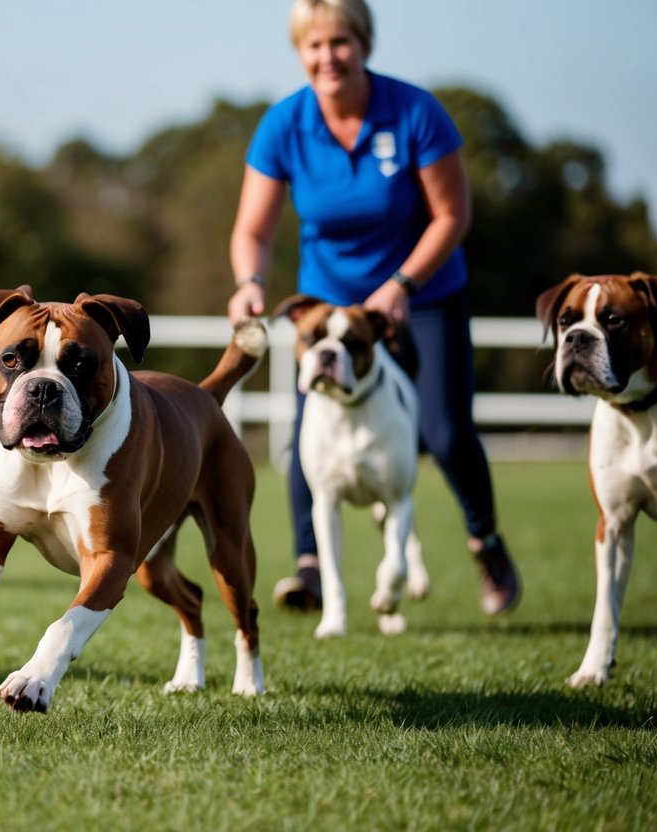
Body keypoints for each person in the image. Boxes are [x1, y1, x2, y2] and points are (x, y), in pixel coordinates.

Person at [227, 0, 521, 616]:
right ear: (299, 51)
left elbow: (452, 215)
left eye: (340, 42)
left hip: (424, 294)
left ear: (363, 44)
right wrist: (249, 281)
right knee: (311, 429)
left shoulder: (416, 112)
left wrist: (403, 284)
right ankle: (309, 570)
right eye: (313, 45)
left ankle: (487, 543)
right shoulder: (283, 124)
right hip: (329, 310)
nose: (327, 56)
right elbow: (253, 229)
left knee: (443, 428)